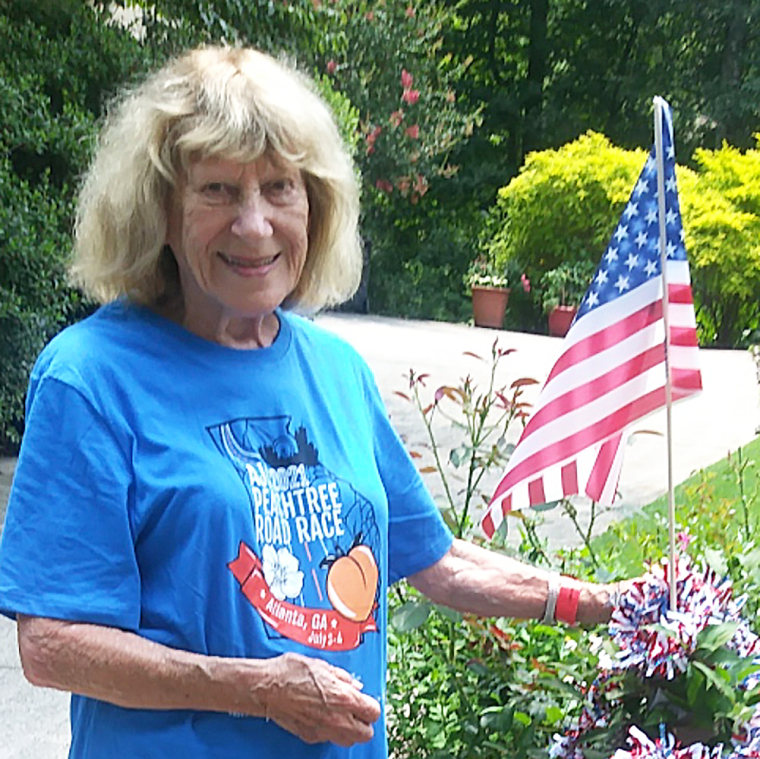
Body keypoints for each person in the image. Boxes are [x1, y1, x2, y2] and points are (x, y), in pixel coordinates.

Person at [0, 45, 620, 758]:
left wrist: (598, 602)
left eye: (279, 187)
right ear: (159, 212)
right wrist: (260, 688)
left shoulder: (335, 369)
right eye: (218, 190)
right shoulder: (91, 379)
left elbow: (437, 562)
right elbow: (52, 644)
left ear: (315, 204)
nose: (255, 224)